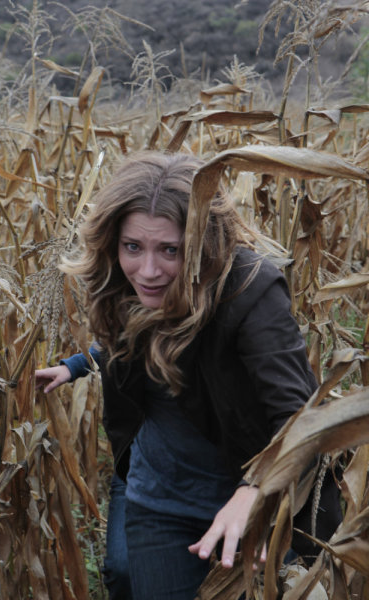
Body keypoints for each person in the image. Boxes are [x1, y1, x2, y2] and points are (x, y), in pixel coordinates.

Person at [35, 151, 340, 600]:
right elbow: (118, 345)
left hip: (253, 503)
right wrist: (75, 365)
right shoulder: (121, 286)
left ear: (202, 244)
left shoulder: (248, 289)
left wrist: (254, 490)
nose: (148, 271)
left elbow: (298, 413)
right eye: (133, 246)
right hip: (158, 502)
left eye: (170, 250)